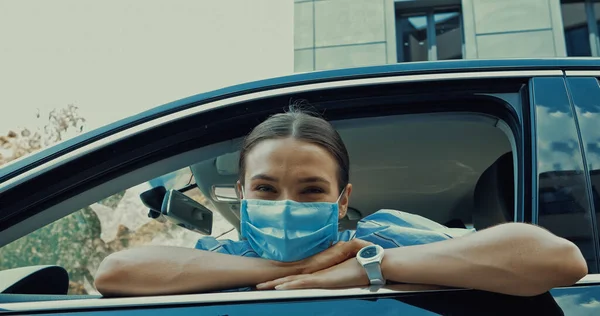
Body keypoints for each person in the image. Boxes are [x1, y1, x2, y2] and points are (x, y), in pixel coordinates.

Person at [94, 108, 587, 297]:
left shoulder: (380, 236)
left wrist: (367, 267)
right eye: (266, 189)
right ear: (242, 195)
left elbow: (559, 260)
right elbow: (115, 273)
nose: (286, 205)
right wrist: (300, 267)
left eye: (311, 190)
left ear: (342, 197)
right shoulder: (217, 258)